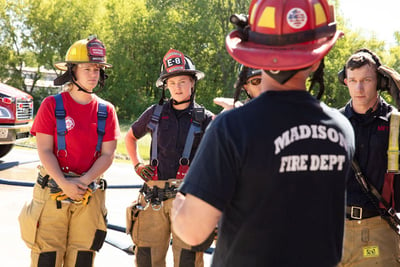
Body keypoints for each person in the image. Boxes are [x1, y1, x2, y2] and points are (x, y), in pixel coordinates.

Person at [172, 0, 355, 266]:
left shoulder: (232, 128)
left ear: (253, 54)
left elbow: (193, 231)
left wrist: (179, 202)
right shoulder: (342, 129)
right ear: (317, 59)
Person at [18, 35, 120, 266]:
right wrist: (64, 183)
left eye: (97, 69)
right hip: (52, 189)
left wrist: (83, 182)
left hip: (88, 194)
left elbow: (108, 154)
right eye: (87, 68)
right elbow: (44, 150)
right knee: (47, 256)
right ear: (71, 71)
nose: (94, 74)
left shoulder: (107, 110)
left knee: (82, 257)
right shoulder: (51, 106)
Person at [125, 48, 214, 267]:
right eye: (172, 83)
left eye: (182, 82)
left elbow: (218, 161)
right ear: (166, 86)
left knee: (188, 261)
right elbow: (130, 137)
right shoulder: (154, 113)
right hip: (153, 198)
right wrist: (137, 165)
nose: (177, 88)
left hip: (188, 200)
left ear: (193, 83)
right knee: (147, 259)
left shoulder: (206, 119)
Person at [337, 48, 400, 266]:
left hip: (378, 230)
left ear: (381, 82)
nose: (359, 88)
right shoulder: (332, 123)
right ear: (345, 81)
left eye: (366, 80)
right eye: (353, 80)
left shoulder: (396, 122)